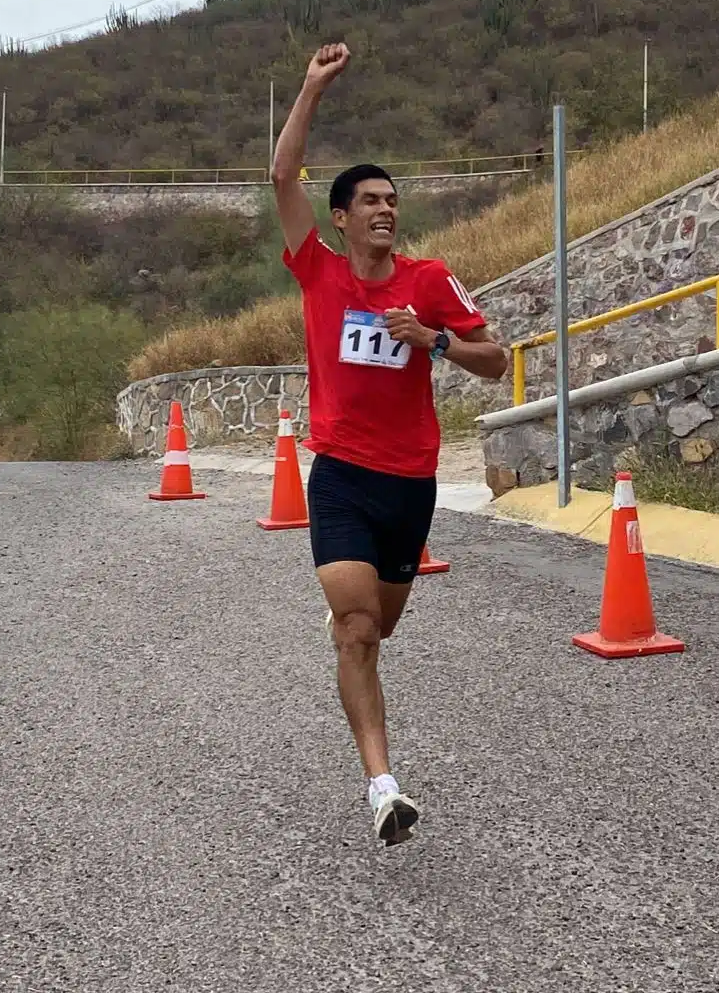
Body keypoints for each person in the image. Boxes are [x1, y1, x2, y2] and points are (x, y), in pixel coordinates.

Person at [271, 42, 508, 846]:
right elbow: (281, 179)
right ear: (340, 216)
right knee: (356, 628)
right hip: (338, 474)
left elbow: (498, 360)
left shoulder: (430, 281)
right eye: (369, 200)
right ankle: (383, 787)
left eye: (392, 201)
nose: (384, 209)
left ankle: (359, 649)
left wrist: (433, 341)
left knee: (383, 625)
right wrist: (310, 89)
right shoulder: (319, 273)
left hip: (409, 482)